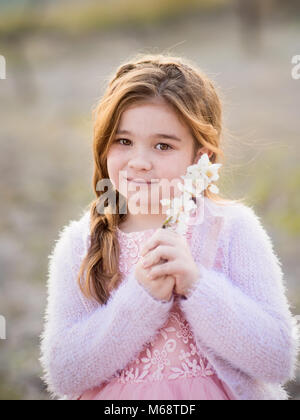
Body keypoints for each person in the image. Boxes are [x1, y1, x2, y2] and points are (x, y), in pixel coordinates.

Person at [39, 53, 299, 400]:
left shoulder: (231, 229)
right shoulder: (79, 244)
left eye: (163, 145)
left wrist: (197, 285)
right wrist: (140, 298)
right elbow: (65, 374)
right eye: (123, 141)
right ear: (103, 146)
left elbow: (276, 359)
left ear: (200, 157)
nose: (139, 162)